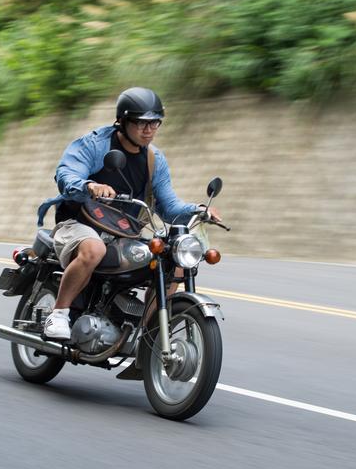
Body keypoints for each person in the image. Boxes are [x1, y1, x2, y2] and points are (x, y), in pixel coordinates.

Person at [36, 87, 221, 340]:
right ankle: (58, 314)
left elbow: (168, 207)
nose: (149, 130)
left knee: (174, 263)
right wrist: (89, 186)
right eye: (141, 123)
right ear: (122, 121)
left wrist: (198, 210)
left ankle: (149, 336)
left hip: (123, 231)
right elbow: (66, 174)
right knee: (94, 249)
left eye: (155, 123)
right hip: (78, 222)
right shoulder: (95, 144)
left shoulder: (154, 159)